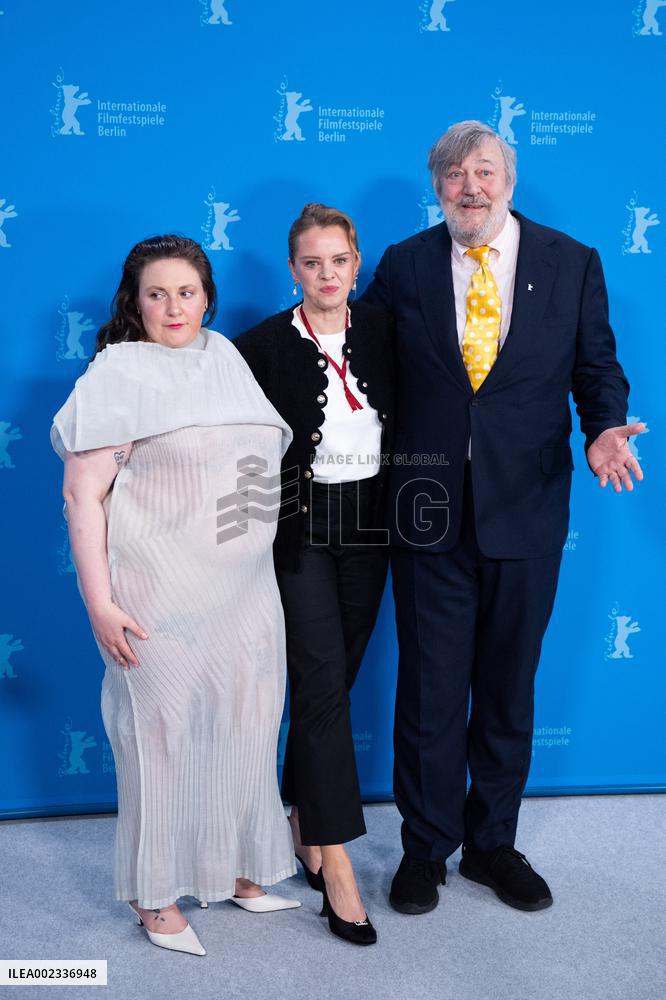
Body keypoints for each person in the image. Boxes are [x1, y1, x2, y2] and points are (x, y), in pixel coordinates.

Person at [362, 121, 645, 916]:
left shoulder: (571, 261)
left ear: (509, 181)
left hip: (527, 508)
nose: (469, 186)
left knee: (507, 687)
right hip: (426, 510)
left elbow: (597, 368)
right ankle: (426, 850)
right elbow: (363, 360)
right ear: (437, 185)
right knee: (428, 690)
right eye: (452, 173)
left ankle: (491, 845)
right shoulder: (405, 264)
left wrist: (601, 428)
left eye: (483, 170)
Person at [50, 235, 300, 957]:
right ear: (134, 301)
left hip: (247, 595)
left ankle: (240, 871)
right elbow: (80, 494)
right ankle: (153, 894)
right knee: (158, 742)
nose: (174, 307)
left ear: (207, 298)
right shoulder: (117, 371)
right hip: (160, 598)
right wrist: (100, 603)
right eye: (156, 294)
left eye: (187, 292)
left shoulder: (223, 356)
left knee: (247, 729)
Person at [234, 204, 394, 945]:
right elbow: (230, 445)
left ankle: (301, 817)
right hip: (297, 526)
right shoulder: (261, 345)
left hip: (374, 524)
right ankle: (336, 866)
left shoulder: (389, 331)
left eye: (339, 260)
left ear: (356, 264)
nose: (326, 275)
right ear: (291, 268)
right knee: (322, 682)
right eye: (311, 262)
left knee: (338, 678)